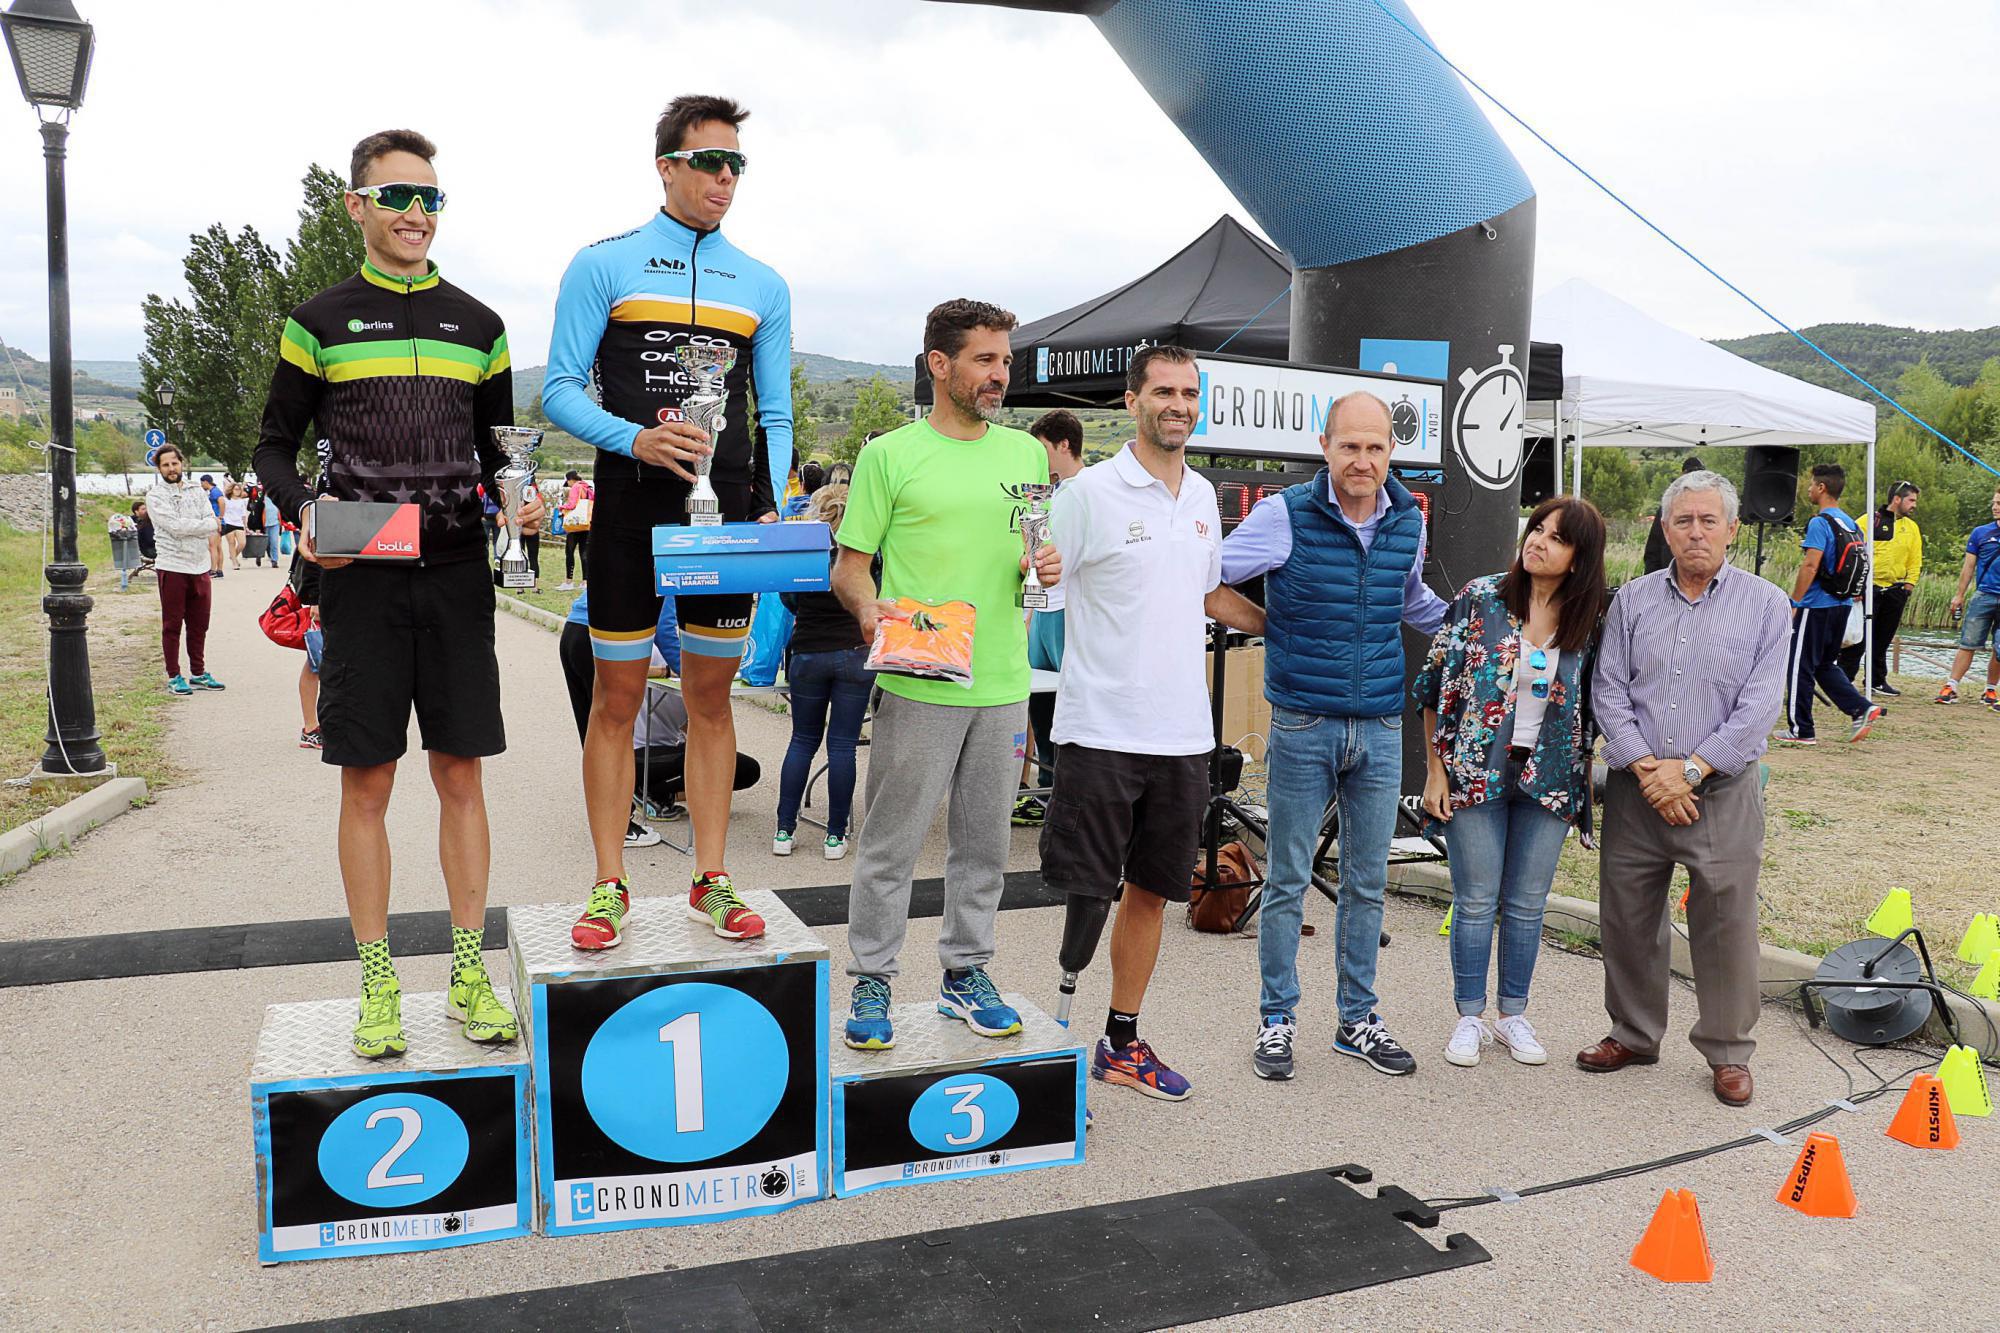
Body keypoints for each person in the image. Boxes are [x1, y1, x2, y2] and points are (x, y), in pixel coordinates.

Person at [252, 127, 539, 1060]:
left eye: (431, 198)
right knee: (368, 780)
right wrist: (306, 510)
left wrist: (521, 502)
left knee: (460, 774)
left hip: (456, 575)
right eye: (398, 196)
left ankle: (467, 972)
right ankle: (377, 983)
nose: (417, 213)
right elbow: (272, 448)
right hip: (361, 574)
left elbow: (500, 454)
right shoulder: (318, 320)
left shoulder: (480, 324)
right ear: (358, 205)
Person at [544, 92, 792, 950]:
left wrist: (769, 501)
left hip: (723, 515)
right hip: (629, 508)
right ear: (667, 166)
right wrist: (635, 439)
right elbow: (558, 388)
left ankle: (711, 878)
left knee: (711, 698)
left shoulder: (762, 282)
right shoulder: (603, 264)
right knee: (615, 698)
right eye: (710, 161)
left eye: (737, 164)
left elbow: (775, 411)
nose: (726, 178)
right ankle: (607, 883)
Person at [832, 297, 1062, 1050]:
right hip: (920, 676)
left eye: (1006, 360)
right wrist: (868, 609)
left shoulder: (1025, 455)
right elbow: (850, 568)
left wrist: (1044, 564)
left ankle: (966, 972)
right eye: (984, 359)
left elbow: (1031, 551)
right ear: (939, 363)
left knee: (985, 847)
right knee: (891, 844)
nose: (1000, 374)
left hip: (1003, 679)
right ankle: (872, 977)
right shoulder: (889, 454)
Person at [1041, 346, 1261, 1105]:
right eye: (1163, 391)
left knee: (1151, 893)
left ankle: (1120, 1042)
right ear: (1132, 402)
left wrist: (1285, 627)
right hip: (1100, 729)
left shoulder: (1202, 495)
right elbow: (1037, 587)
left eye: (1189, 393)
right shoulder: (1088, 494)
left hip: (1182, 737)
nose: (1178, 404)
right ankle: (1056, 1052)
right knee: (1086, 894)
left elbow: (1209, 595)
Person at [1220, 391, 1447, 1081]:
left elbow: (1410, 600)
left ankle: (1357, 1021)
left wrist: (1480, 625)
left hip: (1380, 724)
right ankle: (1277, 1021)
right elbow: (1207, 578)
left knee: (1367, 883)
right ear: (1325, 446)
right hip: (1303, 722)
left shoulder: (1408, 519)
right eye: (1350, 446)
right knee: (1288, 878)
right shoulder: (1282, 514)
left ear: (1391, 452)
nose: (1363, 460)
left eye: (1376, 448)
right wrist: (1269, 625)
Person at [1585, 469, 1788, 1106]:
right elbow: (1608, 690)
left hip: (1721, 790)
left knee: (1726, 922)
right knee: (1627, 916)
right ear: (1665, 530)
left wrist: (1691, 770)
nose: (1696, 532)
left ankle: (1728, 1051)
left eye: (1708, 520)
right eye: (1683, 521)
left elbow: (1760, 706)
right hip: (1638, 788)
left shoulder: (1766, 604)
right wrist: (1650, 770)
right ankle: (1634, 1033)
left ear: (1732, 529)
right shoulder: (1632, 600)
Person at [1416, 496, 1609, 1069]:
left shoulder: (1591, 619)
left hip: (1550, 778)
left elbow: (1601, 701)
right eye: (1537, 529)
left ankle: (1512, 1016)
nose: (1539, 541)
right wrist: (1435, 771)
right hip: (1475, 771)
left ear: (1580, 558)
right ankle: (1469, 1017)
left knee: (1526, 904)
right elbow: (1434, 687)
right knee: (1476, 900)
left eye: (1557, 537)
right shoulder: (1481, 598)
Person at [557, 589, 760, 846]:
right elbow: (664, 628)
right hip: (604, 637)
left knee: (595, 733)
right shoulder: (673, 572)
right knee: (617, 736)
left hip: (576, 629)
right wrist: (688, 674)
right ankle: (621, 826)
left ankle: (610, 824)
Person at [774, 483, 875, 860]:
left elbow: (788, 599)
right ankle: (835, 835)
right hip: (854, 652)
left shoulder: (807, 552)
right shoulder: (867, 554)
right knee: (843, 745)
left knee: (802, 740)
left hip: (808, 652)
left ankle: (784, 830)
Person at [1012, 407, 1086, 829]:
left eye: (1043, 449)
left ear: (1064, 445)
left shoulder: (1089, 491)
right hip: (1041, 610)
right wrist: (1028, 612)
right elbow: (1034, 557)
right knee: (1038, 705)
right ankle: (1044, 790)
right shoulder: (1049, 494)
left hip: (1069, 612)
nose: (1038, 459)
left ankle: (1071, 795)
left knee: (1068, 704)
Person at [1782, 463, 1883, 745]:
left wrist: (1795, 601)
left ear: (1822, 487)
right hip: (1843, 603)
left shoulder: (1820, 522)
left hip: (1815, 605)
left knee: (1799, 665)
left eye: (1811, 484)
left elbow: (1810, 564)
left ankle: (1801, 730)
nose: (1809, 489)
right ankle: (1861, 708)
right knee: (1825, 664)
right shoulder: (1851, 523)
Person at [143, 444, 226, 696]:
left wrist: (204, 524)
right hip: (172, 565)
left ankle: (198, 673)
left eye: (174, 463)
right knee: (172, 624)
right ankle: (174, 676)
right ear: (159, 469)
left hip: (200, 565)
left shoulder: (196, 490)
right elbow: (175, 527)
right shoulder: (155, 496)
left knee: (199, 624)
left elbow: (212, 520)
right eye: (165, 465)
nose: (171, 468)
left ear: (182, 463)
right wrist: (204, 525)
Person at [1837, 480, 1921, 695]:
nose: (1914, 505)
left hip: (1895, 589)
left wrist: (1909, 585)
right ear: (1897, 499)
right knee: (1858, 639)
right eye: (1911, 500)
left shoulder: (1912, 528)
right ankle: (1844, 680)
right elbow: (1853, 553)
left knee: (1883, 639)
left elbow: (1915, 559)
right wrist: (1855, 586)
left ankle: (1876, 680)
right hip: (1868, 588)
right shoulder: (1867, 521)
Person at [1935, 488, 2000, 708]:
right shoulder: (1980, 533)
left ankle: (1990, 689)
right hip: (1983, 596)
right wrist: (1959, 595)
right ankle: (1951, 686)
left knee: (1999, 648)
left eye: (1999, 503)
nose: (1995, 507)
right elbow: (1968, 567)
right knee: (1968, 643)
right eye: (1994, 502)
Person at [1642, 456, 1705, 576]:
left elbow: (1652, 552)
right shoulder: (1668, 507)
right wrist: (1652, 581)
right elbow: (1653, 551)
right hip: (1668, 575)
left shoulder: (1712, 507)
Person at [558, 469, 592, 590]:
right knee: (584, 553)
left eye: (568, 482)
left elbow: (572, 505)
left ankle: (569, 581)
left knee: (569, 552)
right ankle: (585, 582)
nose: (568, 485)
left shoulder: (576, 487)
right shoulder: (588, 487)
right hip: (586, 524)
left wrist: (561, 507)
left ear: (570, 480)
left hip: (574, 525)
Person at [200, 473, 225, 578]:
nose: (201, 485)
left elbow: (222, 502)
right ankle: (219, 570)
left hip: (216, 522)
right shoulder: (214, 491)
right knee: (218, 547)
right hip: (218, 522)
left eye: (202, 483)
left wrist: (220, 516)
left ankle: (213, 570)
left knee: (212, 547)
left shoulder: (215, 492)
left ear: (206, 482)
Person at [220, 482, 250, 569]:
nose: (238, 491)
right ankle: (234, 563)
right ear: (231, 490)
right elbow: (222, 510)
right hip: (228, 523)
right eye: (236, 489)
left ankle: (233, 556)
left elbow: (243, 515)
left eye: (239, 489)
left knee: (242, 543)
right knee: (231, 543)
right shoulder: (226, 500)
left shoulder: (241, 501)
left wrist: (246, 526)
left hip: (239, 524)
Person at [131, 500, 156, 564]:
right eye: (143, 509)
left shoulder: (149, 520)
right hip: (147, 550)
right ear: (136, 512)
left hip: (152, 547)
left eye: (146, 508)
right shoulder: (133, 521)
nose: (146, 511)